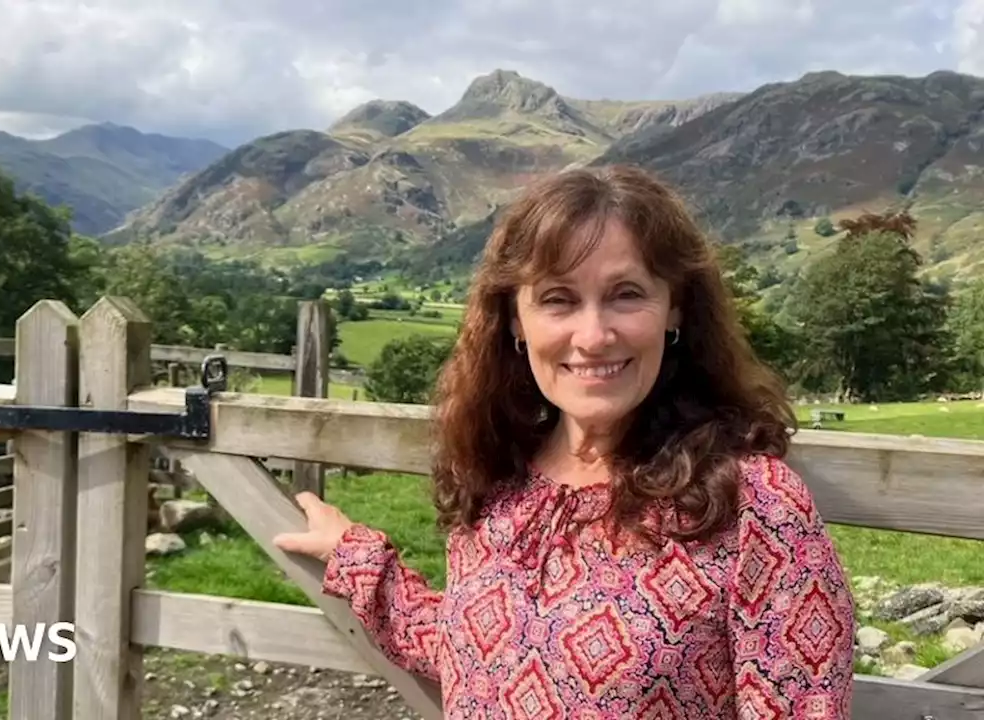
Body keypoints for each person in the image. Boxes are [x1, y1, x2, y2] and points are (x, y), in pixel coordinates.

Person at [273, 164, 856, 718]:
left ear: (674, 308)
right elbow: (472, 656)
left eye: (626, 293)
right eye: (558, 299)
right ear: (515, 321)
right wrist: (356, 556)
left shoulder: (753, 505)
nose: (594, 335)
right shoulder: (498, 474)